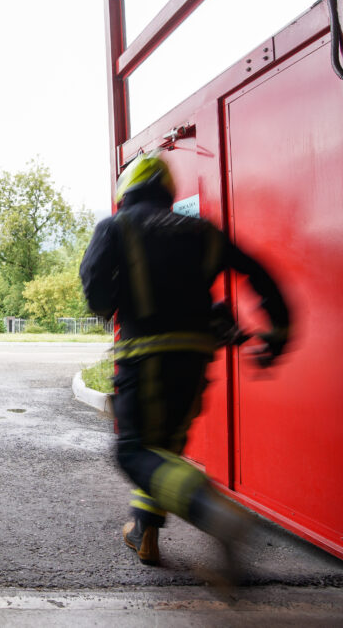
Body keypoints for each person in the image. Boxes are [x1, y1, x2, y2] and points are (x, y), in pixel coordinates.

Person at [79, 152, 290, 583]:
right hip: (194, 359)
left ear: (127, 190)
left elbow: (95, 286)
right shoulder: (201, 230)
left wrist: (113, 302)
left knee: (134, 451)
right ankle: (143, 533)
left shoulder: (116, 226)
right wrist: (277, 330)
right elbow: (258, 272)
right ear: (166, 192)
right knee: (163, 451)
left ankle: (217, 515)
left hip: (145, 357)